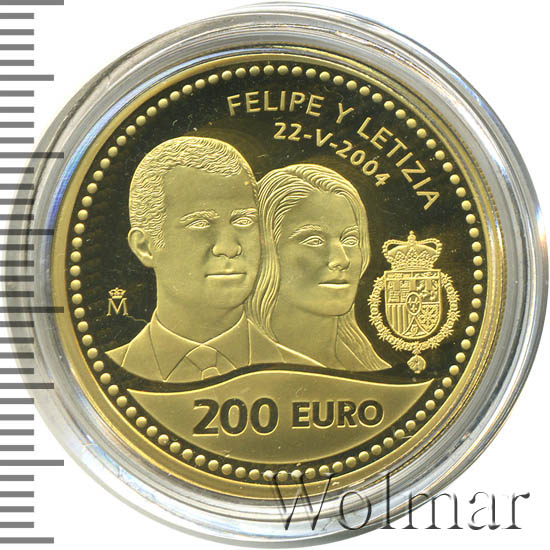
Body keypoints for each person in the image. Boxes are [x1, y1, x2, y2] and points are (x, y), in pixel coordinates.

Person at [107, 136, 313, 382]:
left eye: (243, 221)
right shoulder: (99, 374)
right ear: (145, 247)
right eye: (200, 223)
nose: (229, 247)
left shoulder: (313, 378)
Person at [249, 163, 390, 371]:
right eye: (314, 240)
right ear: (264, 249)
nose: (341, 260)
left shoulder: (376, 370)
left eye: (350, 239)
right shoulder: (233, 367)